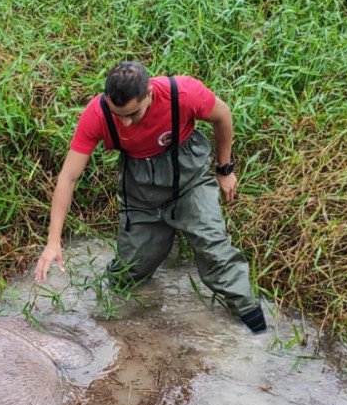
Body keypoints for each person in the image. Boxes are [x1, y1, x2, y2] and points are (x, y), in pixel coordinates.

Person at [34, 60, 267, 333]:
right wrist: (53, 242)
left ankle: (257, 327)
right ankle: (107, 323)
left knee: (213, 247)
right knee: (131, 270)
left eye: (133, 114)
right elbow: (68, 177)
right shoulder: (97, 115)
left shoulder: (183, 93)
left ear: (150, 95)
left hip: (190, 180)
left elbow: (223, 114)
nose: (125, 122)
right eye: (117, 113)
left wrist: (225, 169)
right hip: (141, 191)